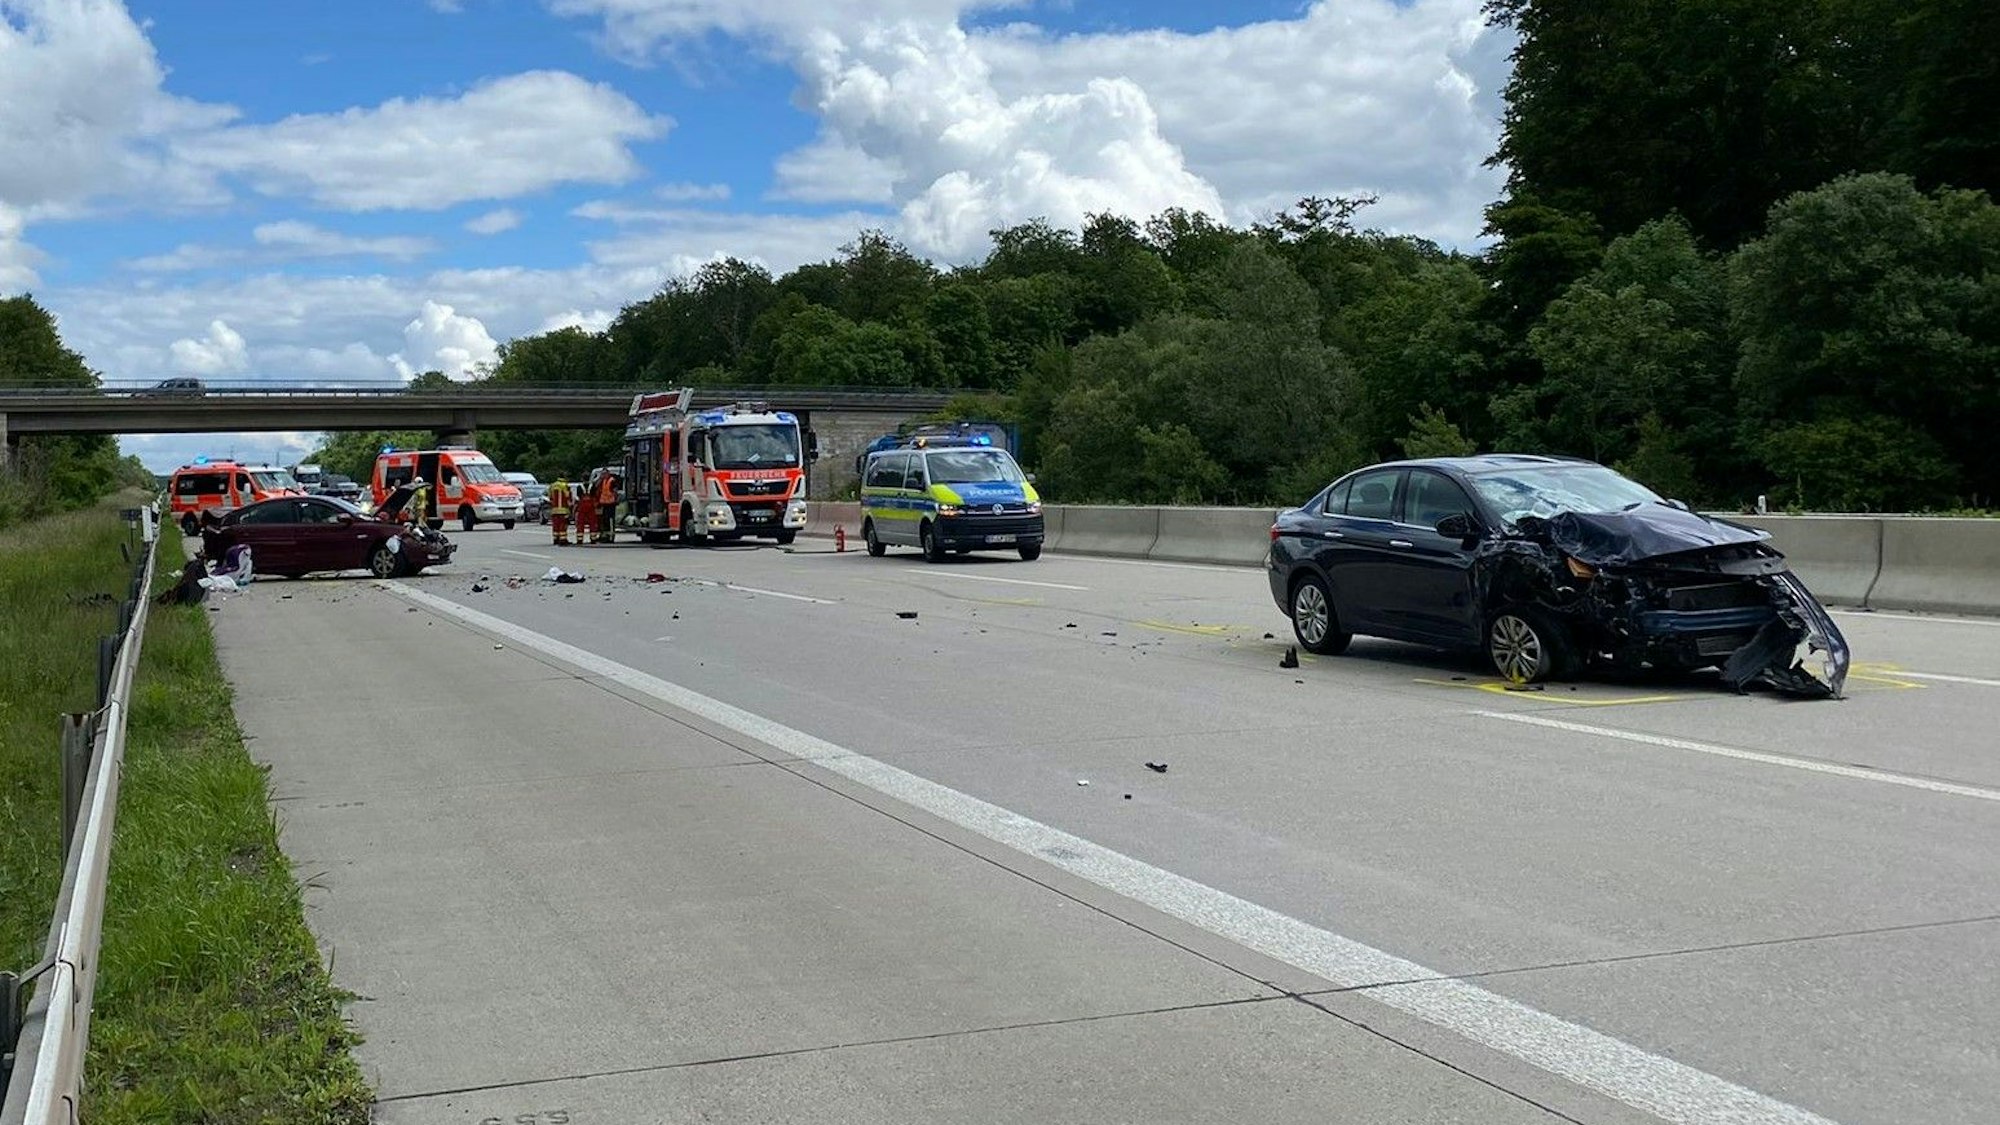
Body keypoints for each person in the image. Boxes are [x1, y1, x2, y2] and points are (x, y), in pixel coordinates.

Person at [594, 469, 621, 544]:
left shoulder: (612, 481)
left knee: (610, 521)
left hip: (611, 503)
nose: (603, 475)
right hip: (604, 504)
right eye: (602, 474)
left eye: (604, 474)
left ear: (608, 473)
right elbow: (595, 486)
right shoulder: (603, 481)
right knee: (604, 521)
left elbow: (615, 491)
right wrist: (600, 479)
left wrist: (616, 499)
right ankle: (604, 536)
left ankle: (611, 537)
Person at [549, 476, 571, 545]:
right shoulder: (565, 485)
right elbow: (567, 496)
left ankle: (556, 539)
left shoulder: (552, 485)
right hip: (563, 510)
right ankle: (563, 539)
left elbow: (550, 497)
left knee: (556, 525)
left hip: (554, 510)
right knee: (562, 525)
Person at [575, 478, 597, 546]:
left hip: (582, 506)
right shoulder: (592, 486)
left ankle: (580, 540)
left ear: (582, 479)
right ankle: (593, 539)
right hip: (591, 506)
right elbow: (595, 495)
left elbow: (578, 496)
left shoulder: (579, 487)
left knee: (580, 523)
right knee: (592, 523)